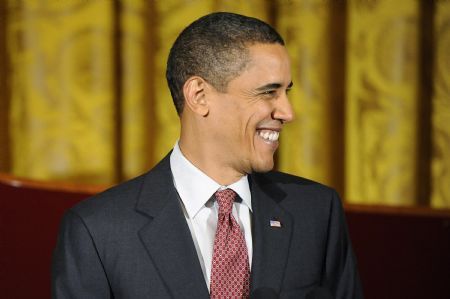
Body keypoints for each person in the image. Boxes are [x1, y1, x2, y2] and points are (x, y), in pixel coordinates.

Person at [52, 12, 363, 299]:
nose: (287, 112)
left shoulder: (317, 212)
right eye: (269, 92)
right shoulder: (99, 229)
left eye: (286, 92)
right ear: (199, 96)